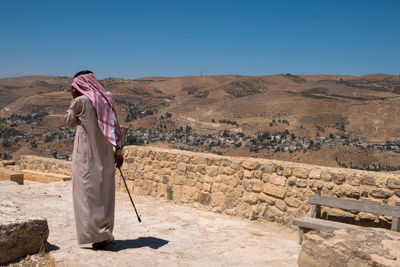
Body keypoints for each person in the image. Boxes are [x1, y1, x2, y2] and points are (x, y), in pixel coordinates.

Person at [64, 70, 124, 249]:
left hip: (86, 156)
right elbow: (116, 127)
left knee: (86, 195)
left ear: (81, 85)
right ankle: (105, 233)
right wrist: (119, 152)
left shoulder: (80, 102)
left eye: (74, 87)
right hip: (105, 155)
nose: (72, 90)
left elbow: (68, 122)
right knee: (104, 194)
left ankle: (95, 235)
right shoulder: (106, 99)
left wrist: (73, 103)